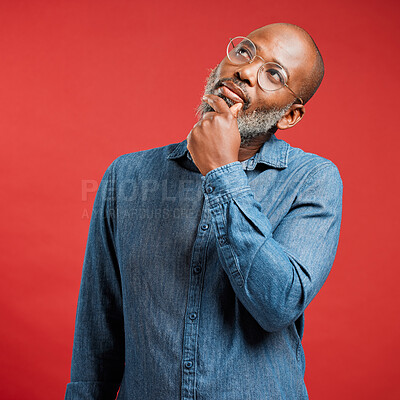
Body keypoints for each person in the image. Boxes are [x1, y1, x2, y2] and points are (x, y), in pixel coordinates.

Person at [65, 22, 343, 400]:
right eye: (245, 52)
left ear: (289, 116)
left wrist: (222, 173)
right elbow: (99, 327)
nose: (245, 71)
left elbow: (278, 304)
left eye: (273, 74)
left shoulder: (313, 180)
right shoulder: (126, 176)